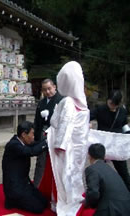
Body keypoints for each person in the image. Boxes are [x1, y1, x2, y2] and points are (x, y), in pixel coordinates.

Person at [47, 61, 90, 215]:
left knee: (63, 173)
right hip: (78, 146)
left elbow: (63, 123)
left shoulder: (68, 102)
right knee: (73, 173)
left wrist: (59, 143)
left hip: (67, 146)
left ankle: (61, 200)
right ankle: (73, 197)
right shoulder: (81, 102)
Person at [2, 121, 49, 214]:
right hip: (15, 187)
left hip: (24, 183)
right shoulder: (13, 145)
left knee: (44, 202)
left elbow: (35, 144)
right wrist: (47, 142)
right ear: (24, 134)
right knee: (38, 208)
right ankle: (12, 201)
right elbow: (31, 151)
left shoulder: (22, 141)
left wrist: (47, 139)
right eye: (32, 134)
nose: (33, 136)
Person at [90, 90, 130, 190]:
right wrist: (88, 124)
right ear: (108, 99)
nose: (112, 106)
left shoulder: (122, 111)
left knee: (123, 171)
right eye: (110, 102)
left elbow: (124, 125)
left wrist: (128, 135)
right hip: (102, 144)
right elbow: (88, 117)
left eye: (114, 104)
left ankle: (128, 191)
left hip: (117, 145)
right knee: (100, 169)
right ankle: (99, 191)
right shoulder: (100, 109)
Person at [83, 143, 130, 216]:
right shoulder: (109, 169)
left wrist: (87, 204)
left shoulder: (92, 169)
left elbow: (93, 193)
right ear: (104, 156)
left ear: (89, 155)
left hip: (112, 209)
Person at [33, 78, 63, 186]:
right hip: (43, 134)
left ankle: (56, 187)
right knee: (40, 161)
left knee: (56, 163)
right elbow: (37, 121)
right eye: (45, 90)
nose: (48, 92)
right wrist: (36, 137)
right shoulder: (41, 102)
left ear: (54, 87)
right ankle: (37, 185)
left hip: (56, 134)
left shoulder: (61, 101)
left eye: (49, 89)